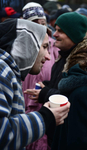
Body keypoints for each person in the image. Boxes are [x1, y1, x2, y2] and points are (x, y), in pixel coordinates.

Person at [0, 18, 70, 149]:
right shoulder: (2, 71)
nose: (49, 56)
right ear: (25, 44)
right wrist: (46, 117)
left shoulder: (7, 70)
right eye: (44, 47)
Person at [24, 12, 87, 109]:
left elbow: (75, 97)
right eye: (55, 30)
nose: (54, 34)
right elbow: (59, 84)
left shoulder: (83, 62)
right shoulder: (64, 55)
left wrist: (46, 93)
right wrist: (46, 85)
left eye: (60, 31)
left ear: (74, 34)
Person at [22, 2, 59, 150]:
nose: (39, 26)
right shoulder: (21, 47)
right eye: (34, 23)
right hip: (25, 105)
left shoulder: (53, 45)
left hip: (44, 104)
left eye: (42, 22)